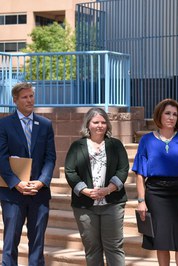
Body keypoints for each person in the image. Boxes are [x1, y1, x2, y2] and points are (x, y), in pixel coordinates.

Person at [132, 98, 178, 266]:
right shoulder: (147, 140)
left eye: (175, 114)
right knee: (161, 240)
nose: (171, 117)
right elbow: (140, 174)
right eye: (167, 113)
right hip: (155, 193)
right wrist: (141, 201)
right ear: (159, 115)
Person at [0, 82, 56, 265]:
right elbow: (1, 158)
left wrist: (42, 181)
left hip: (38, 193)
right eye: (24, 97)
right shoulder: (4, 125)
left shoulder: (45, 124)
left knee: (37, 244)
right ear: (15, 100)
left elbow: (50, 157)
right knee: (10, 242)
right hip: (12, 193)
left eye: (31, 96)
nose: (29, 100)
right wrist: (16, 183)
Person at [64, 107, 129, 266]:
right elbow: (70, 171)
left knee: (114, 247)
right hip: (85, 206)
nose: (100, 125)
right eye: (95, 122)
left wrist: (107, 190)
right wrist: (86, 191)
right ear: (88, 124)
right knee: (92, 248)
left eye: (103, 122)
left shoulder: (116, 145)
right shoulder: (77, 146)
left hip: (112, 204)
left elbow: (123, 169)